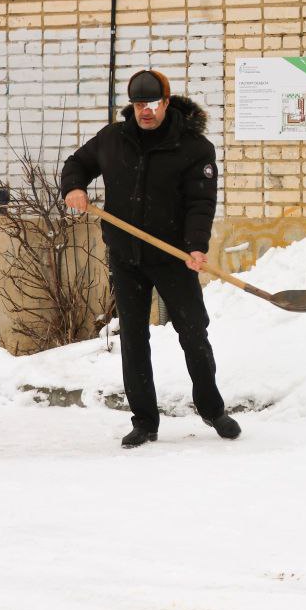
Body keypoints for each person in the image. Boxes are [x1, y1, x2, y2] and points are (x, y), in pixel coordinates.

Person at [61, 70, 241, 448]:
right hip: (126, 255)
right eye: (140, 104)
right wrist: (74, 187)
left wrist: (195, 245)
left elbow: (200, 202)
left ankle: (212, 409)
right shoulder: (114, 139)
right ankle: (144, 421)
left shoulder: (193, 147)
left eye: (154, 104)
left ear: (167, 100)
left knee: (193, 332)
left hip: (173, 257)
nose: (146, 111)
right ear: (133, 104)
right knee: (134, 338)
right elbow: (77, 163)